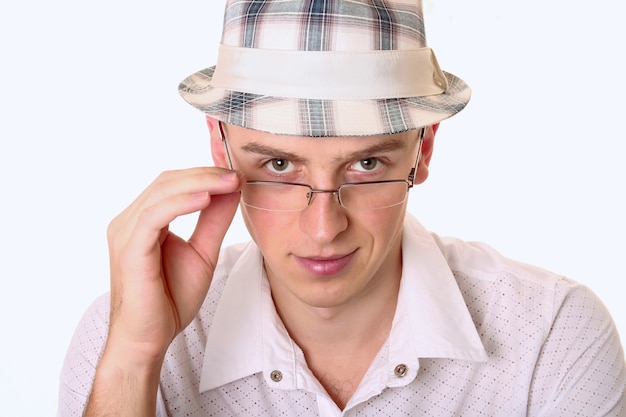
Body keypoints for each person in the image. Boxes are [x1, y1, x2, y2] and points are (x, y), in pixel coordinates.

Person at [58, 0, 626, 415]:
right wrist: (134, 359)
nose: (324, 228)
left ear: (422, 149)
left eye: (366, 165)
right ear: (220, 146)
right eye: (279, 166)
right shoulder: (126, 334)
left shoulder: (551, 334)